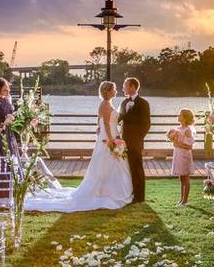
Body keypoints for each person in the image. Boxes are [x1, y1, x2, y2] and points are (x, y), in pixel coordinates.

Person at [23, 81, 132, 212]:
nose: (116, 91)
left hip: (110, 135)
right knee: (107, 163)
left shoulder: (107, 104)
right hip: (109, 137)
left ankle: (107, 191)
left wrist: (101, 130)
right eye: (114, 89)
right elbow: (107, 124)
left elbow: (100, 121)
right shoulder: (105, 104)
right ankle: (108, 193)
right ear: (108, 91)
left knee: (111, 164)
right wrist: (110, 140)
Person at [118, 77, 151, 204]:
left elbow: (146, 124)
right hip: (123, 141)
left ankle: (139, 197)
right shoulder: (123, 102)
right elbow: (120, 118)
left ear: (132, 87)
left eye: (125, 85)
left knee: (137, 168)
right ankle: (129, 193)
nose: (123, 88)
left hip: (135, 141)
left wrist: (138, 138)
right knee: (126, 168)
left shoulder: (143, 103)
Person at [168, 108, 196, 206]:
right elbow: (175, 141)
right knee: (181, 177)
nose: (178, 116)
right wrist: (171, 137)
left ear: (184, 118)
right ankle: (181, 199)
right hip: (178, 154)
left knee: (186, 177)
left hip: (185, 155)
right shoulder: (177, 129)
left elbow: (190, 146)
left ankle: (185, 200)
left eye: (180, 115)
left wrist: (178, 145)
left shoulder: (187, 130)